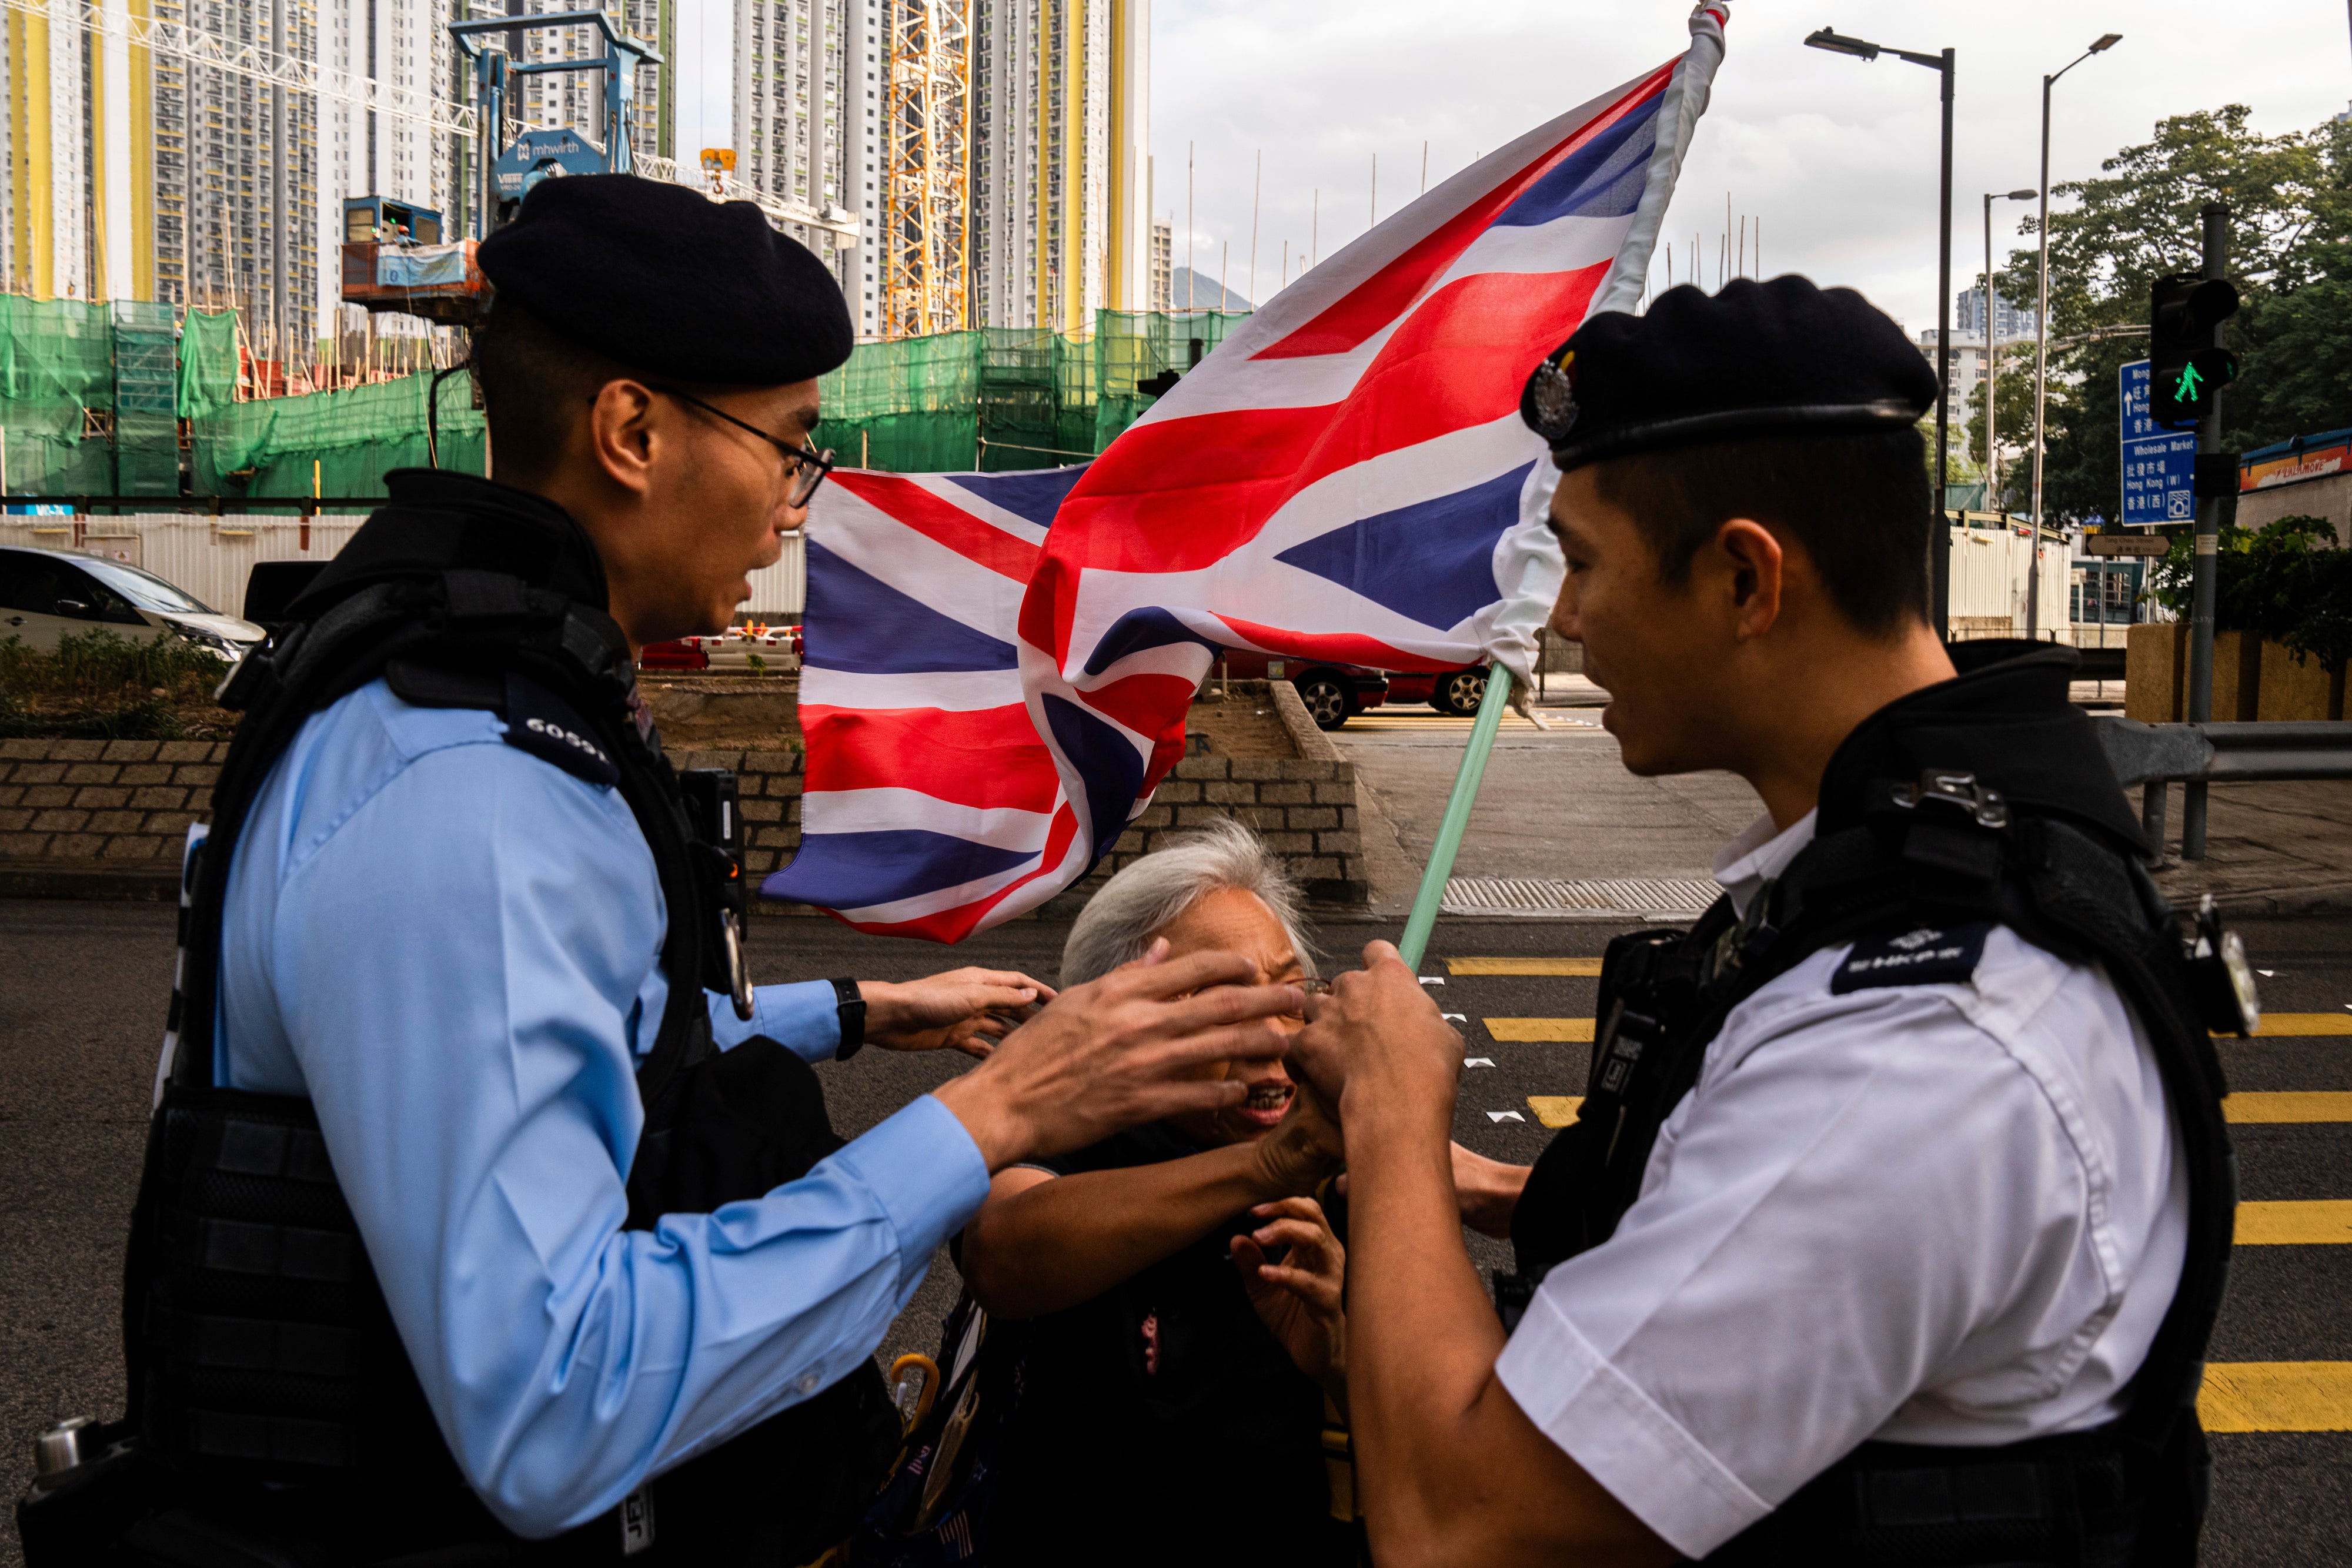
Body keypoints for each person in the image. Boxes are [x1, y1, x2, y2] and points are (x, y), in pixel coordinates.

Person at [41, 177, 1307, 1567]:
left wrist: (866, 1014)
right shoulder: (475, 788)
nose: (793, 507)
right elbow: (556, 1402)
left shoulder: (454, 698)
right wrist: (1000, 1115)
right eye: (790, 448)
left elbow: (564, 1048)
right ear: (633, 432)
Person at [1285, 275, 2240, 1567]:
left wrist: (1394, 1114)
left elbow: (1464, 1520)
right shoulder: (1888, 871)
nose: (1558, 618)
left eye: (1580, 562)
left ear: (1743, 577)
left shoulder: (1919, 1038)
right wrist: (1493, 1189)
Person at [954, 821, 1353, 1566]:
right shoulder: (1064, 1132)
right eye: (1220, 1005)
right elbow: (1002, 1254)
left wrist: (1339, 1357)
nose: (1274, 1035)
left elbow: (1444, 1430)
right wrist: (1273, 1163)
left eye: (1290, 992)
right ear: (1117, 1022)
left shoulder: (1348, 1158)